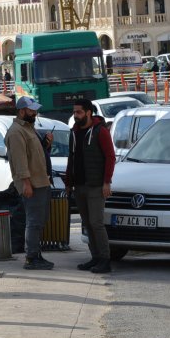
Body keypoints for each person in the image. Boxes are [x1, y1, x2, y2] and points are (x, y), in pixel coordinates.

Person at [66, 100, 116, 274]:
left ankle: (105, 260)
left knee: (96, 223)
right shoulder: (74, 132)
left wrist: (106, 182)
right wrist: (68, 183)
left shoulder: (100, 131)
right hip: (79, 185)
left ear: (88, 113)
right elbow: (71, 158)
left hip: (95, 185)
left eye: (79, 112)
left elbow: (110, 157)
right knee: (87, 223)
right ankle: (95, 257)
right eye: (74, 112)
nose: (75, 115)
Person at [6, 96, 55, 270]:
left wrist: (47, 145)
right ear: (21, 111)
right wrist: (26, 183)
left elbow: (35, 155)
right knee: (33, 221)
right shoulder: (16, 132)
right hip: (32, 183)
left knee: (39, 220)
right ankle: (31, 258)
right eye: (31, 110)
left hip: (41, 181)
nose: (35, 112)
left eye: (35, 110)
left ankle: (36, 254)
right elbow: (20, 161)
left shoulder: (29, 129)